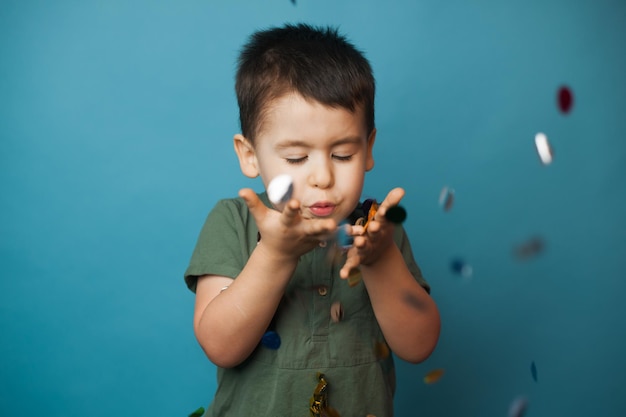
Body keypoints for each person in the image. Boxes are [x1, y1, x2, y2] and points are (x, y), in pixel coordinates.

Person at [184, 23, 440, 417]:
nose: (322, 177)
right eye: (296, 158)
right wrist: (275, 254)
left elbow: (419, 346)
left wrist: (381, 259)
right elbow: (220, 345)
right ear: (249, 154)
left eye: (342, 155)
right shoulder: (232, 221)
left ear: (368, 148)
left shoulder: (378, 230)